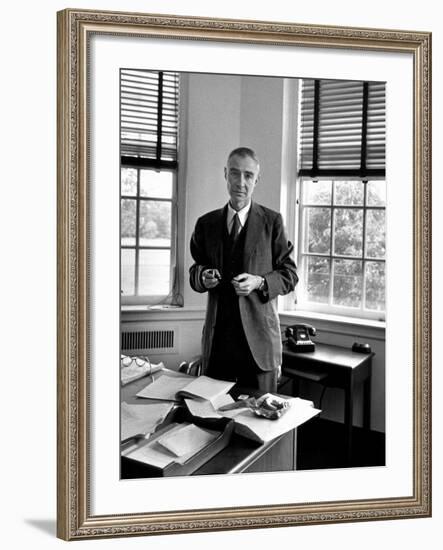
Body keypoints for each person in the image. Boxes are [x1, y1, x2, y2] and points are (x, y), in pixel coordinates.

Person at [189, 147, 298, 392]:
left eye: (248, 175)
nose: (241, 182)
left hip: (259, 348)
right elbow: (195, 270)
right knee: (213, 421)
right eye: (235, 174)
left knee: (259, 425)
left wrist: (259, 282)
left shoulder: (273, 222)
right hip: (218, 347)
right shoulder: (206, 224)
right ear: (225, 174)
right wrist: (203, 277)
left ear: (256, 180)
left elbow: (289, 275)